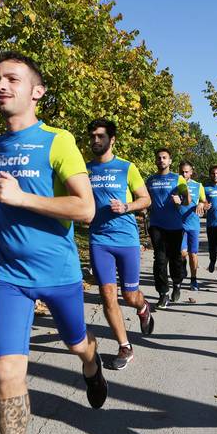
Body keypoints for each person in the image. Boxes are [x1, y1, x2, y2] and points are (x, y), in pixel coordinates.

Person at [0, 52, 106, 434]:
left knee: (77, 345)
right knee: (6, 371)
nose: (0, 85)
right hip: (9, 274)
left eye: (12, 79)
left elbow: (85, 209)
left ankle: (92, 364)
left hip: (58, 272)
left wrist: (21, 198)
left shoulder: (57, 141)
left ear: (37, 91)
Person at [86, 118, 154, 371]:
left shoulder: (126, 167)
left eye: (100, 136)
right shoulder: (85, 170)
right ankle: (125, 346)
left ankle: (143, 307)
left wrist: (126, 206)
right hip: (99, 239)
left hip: (126, 239)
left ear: (112, 140)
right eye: (92, 136)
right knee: (107, 295)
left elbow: (145, 199)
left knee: (130, 295)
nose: (95, 140)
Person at [145, 149, 191, 308]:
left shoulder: (178, 179)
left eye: (164, 158)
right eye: (159, 158)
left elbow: (187, 200)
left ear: (170, 161)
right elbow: (145, 199)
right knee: (160, 260)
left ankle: (177, 283)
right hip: (156, 225)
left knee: (175, 258)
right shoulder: (150, 180)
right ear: (155, 161)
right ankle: (163, 294)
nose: (161, 160)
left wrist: (180, 200)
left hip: (175, 226)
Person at [178, 161, 207, 291]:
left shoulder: (198, 186)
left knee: (193, 253)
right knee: (182, 253)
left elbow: (205, 201)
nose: (184, 174)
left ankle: (193, 280)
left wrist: (201, 204)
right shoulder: (175, 184)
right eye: (181, 172)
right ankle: (183, 265)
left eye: (186, 172)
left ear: (191, 172)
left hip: (193, 225)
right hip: (179, 224)